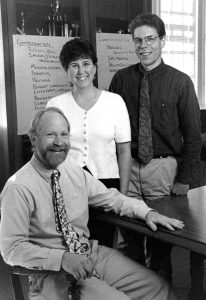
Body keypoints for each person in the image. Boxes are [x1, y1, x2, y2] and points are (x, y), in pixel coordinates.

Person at [0, 107, 184, 300]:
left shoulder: (73, 170)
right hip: (53, 272)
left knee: (160, 289)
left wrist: (147, 213)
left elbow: (111, 198)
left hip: (89, 254)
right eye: (50, 134)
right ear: (34, 138)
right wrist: (63, 258)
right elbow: (12, 249)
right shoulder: (18, 187)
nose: (59, 142)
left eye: (64, 134)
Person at [109, 13, 202, 299]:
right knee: (130, 242)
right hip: (129, 168)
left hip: (164, 170)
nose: (144, 46)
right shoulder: (121, 79)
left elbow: (193, 137)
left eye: (150, 39)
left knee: (160, 244)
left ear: (162, 41)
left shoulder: (181, 82)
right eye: (138, 40)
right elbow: (111, 129)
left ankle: (163, 294)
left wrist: (183, 179)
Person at [46, 38, 131, 246]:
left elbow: (124, 152)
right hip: (67, 185)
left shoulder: (115, 102)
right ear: (66, 71)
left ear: (95, 68)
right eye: (74, 65)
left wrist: (123, 194)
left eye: (86, 64)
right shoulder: (55, 104)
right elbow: (49, 152)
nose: (81, 70)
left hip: (106, 184)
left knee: (103, 247)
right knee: (69, 245)